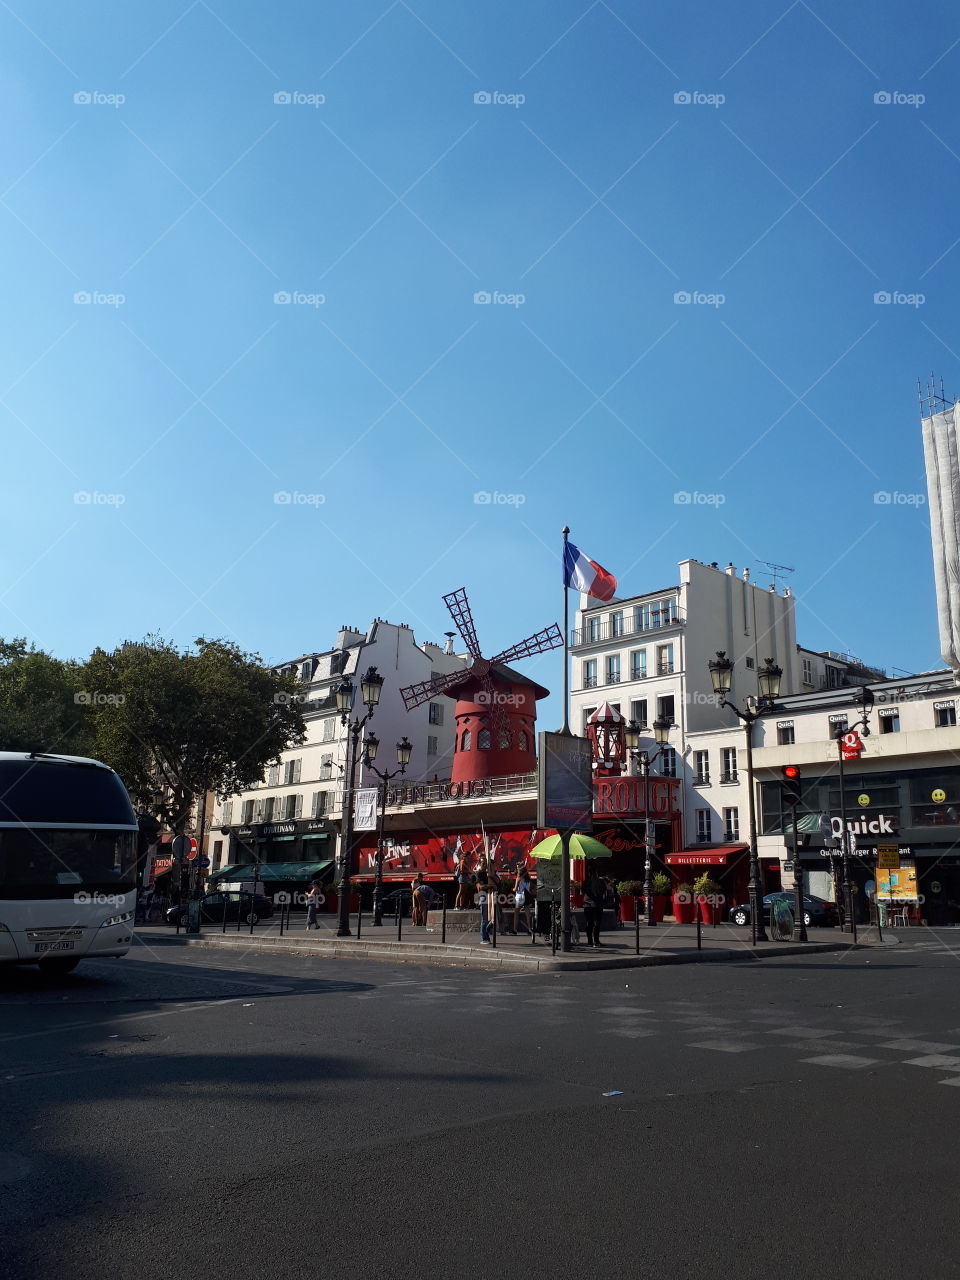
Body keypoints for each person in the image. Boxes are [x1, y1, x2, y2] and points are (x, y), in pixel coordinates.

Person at [583, 867, 606, 948]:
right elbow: (604, 891)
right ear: (596, 873)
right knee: (597, 924)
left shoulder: (586, 882)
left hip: (588, 905)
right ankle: (596, 941)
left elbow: (582, 891)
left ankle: (589, 941)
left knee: (589, 923)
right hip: (598, 905)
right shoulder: (600, 882)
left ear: (589, 873)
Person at [512, 867, 534, 935]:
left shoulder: (518, 879)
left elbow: (515, 889)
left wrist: (512, 889)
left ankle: (515, 929)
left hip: (519, 896)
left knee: (516, 913)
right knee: (528, 914)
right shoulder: (528, 880)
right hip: (526, 896)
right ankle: (529, 929)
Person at [475, 864, 493, 944]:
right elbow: (480, 887)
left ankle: (487, 935)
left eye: (486, 863)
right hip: (483, 896)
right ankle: (484, 938)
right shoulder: (479, 874)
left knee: (491, 919)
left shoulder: (489, 874)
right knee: (484, 919)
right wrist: (489, 886)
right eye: (483, 863)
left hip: (490, 896)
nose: (484, 865)